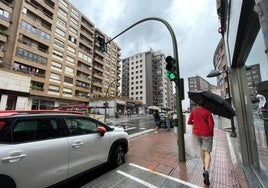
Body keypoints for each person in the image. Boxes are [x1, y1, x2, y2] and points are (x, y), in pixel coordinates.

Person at [187, 100, 214, 186]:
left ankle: (204, 165)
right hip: (206, 134)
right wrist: (211, 134)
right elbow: (211, 124)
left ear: (198, 104)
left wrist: (195, 122)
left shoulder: (194, 111)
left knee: (202, 148)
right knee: (207, 152)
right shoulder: (208, 112)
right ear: (205, 105)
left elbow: (189, 122)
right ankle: (206, 170)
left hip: (197, 133)